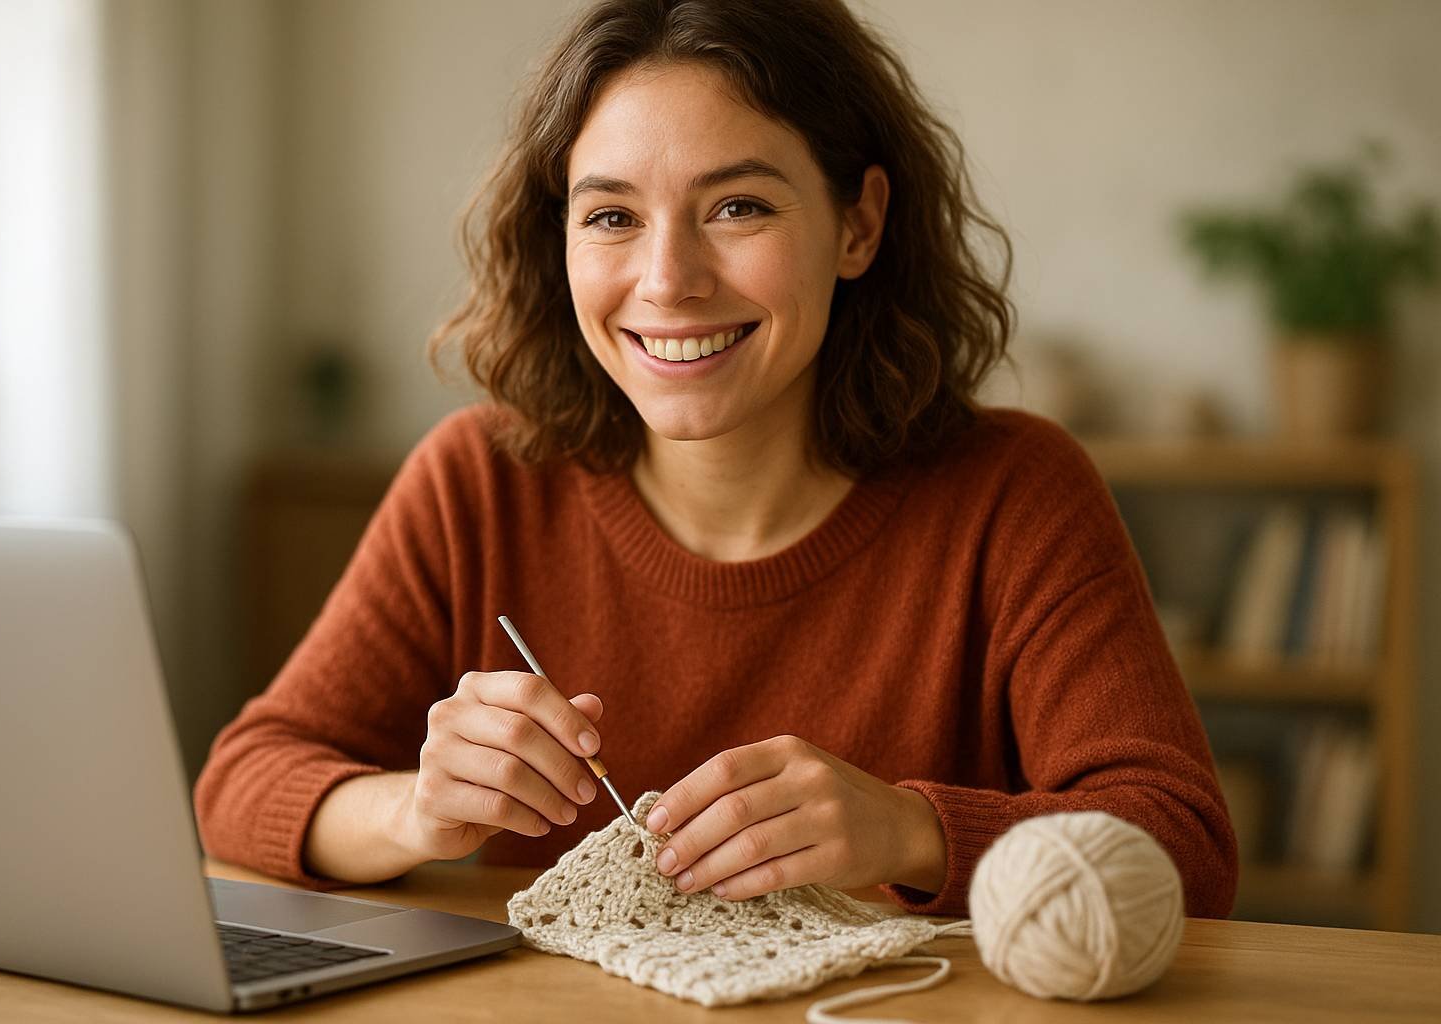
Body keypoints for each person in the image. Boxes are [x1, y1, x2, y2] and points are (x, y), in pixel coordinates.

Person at [194, 0, 1237, 918]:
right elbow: (242, 783)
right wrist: (416, 811)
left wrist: (908, 830)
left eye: (738, 206)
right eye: (611, 216)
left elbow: (1183, 846)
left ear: (859, 224)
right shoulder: (479, 480)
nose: (668, 279)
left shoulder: (1015, 492)